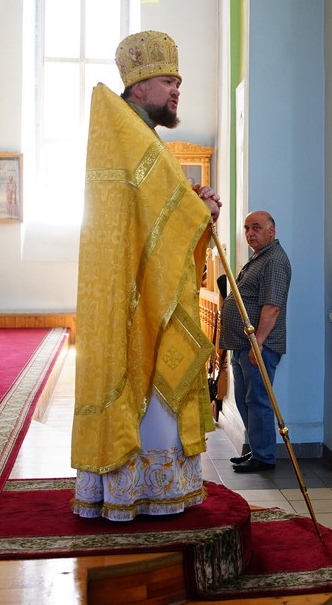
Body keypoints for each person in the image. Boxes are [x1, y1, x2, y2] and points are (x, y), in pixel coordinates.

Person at [71, 31, 222, 520]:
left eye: (178, 82)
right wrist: (197, 213)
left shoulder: (142, 137)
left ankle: (147, 492)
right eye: (167, 81)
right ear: (139, 86)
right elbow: (156, 217)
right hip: (141, 299)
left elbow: (157, 215)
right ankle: (144, 494)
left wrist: (197, 209)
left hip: (155, 292)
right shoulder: (132, 136)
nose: (177, 89)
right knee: (147, 395)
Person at [220, 211, 292, 473]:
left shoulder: (274, 261)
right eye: (247, 228)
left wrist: (257, 342)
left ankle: (263, 457)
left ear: (271, 231)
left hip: (259, 345)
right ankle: (257, 448)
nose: (250, 233)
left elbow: (272, 306)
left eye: (256, 228)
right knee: (246, 400)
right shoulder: (259, 258)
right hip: (243, 344)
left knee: (259, 400)